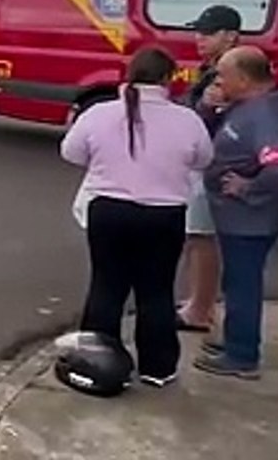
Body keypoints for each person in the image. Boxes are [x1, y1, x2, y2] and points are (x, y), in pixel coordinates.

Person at [60, 46, 214, 388]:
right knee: (156, 291)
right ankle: (158, 369)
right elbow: (204, 159)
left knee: (106, 287)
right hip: (164, 216)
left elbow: (71, 152)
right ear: (167, 79)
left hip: (108, 211)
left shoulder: (99, 114)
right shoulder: (187, 120)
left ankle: (101, 365)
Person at [194, 46, 278, 380]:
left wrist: (247, 186)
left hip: (251, 221)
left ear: (244, 78)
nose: (217, 80)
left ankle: (241, 355)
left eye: (223, 74)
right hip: (238, 219)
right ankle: (235, 340)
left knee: (243, 284)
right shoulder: (246, 105)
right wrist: (210, 110)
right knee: (236, 281)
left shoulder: (265, 116)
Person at [177, 5, 241, 333]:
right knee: (196, 236)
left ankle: (200, 310)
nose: (198, 38)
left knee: (203, 238)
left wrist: (200, 107)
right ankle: (197, 302)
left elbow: (208, 114)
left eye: (207, 32)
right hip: (207, 161)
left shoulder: (227, 73)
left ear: (229, 36)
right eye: (197, 30)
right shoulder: (213, 67)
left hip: (214, 164)